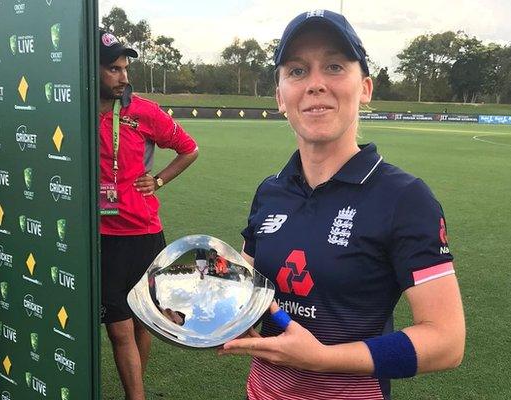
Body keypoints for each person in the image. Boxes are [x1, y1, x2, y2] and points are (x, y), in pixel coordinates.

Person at [219, 10, 465, 400]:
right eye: (297, 71)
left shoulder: (404, 197)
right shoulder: (271, 191)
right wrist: (207, 306)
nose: (315, 84)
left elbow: (447, 341)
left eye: (334, 66)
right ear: (280, 96)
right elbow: (246, 289)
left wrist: (324, 358)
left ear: (364, 87)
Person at [98, 31, 198, 400]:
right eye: (113, 68)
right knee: (118, 329)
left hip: (143, 233)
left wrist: (158, 180)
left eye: (125, 68)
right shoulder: (73, 113)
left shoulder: (143, 111)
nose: (123, 76)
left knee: (142, 321)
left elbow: (189, 149)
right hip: (103, 236)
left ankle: (133, 393)